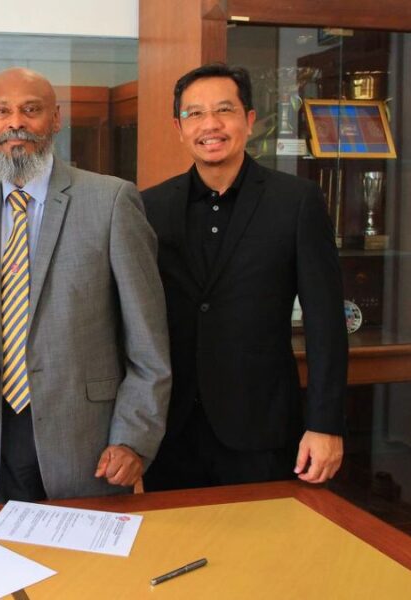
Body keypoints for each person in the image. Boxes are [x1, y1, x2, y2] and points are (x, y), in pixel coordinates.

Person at [0, 67, 171, 504]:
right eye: (1, 112)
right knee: (3, 544)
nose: (15, 123)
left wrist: (134, 437)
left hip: (91, 442)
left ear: (56, 119)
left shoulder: (112, 201)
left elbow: (148, 341)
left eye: (31, 110)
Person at [141, 64, 347, 491]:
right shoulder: (149, 206)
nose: (210, 125)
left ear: (249, 120)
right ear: (179, 127)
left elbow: (325, 322)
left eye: (224, 110)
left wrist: (325, 424)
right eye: (195, 114)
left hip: (262, 428)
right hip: (171, 430)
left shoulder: (296, 202)